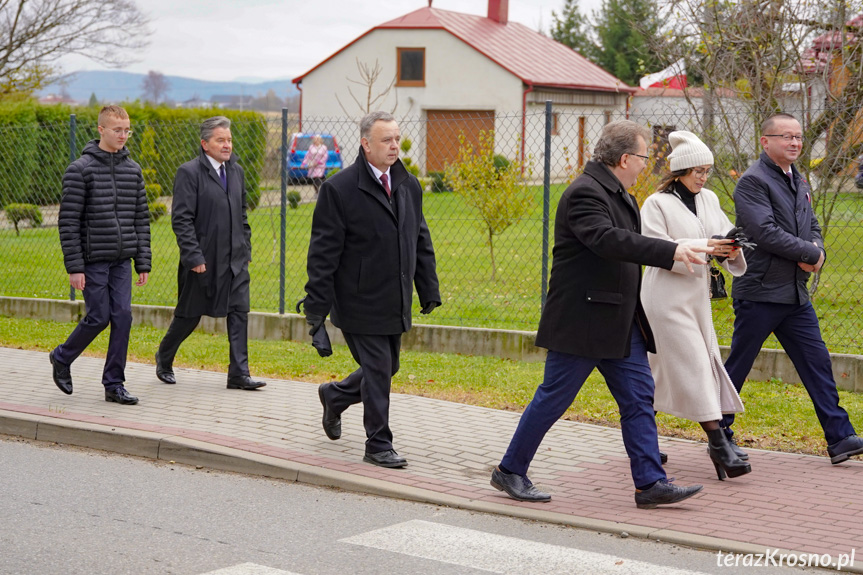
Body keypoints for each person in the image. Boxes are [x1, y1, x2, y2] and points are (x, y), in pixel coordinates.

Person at [491, 120, 711, 509]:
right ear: (625, 158)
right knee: (554, 398)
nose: (646, 164)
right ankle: (510, 470)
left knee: (639, 397)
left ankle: (650, 483)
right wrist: (670, 250)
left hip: (620, 320)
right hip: (583, 320)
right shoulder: (585, 193)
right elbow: (608, 240)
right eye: (643, 157)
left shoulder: (616, 191)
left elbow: (624, 243)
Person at [720, 113, 863, 464]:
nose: (795, 143)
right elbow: (764, 232)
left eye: (799, 137)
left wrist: (819, 251)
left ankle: (840, 437)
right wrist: (810, 252)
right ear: (765, 141)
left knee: (816, 363)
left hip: (795, 295)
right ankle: (719, 433)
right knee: (739, 366)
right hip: (760, 293)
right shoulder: (752, 182)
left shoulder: (798, 179)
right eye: (787, 137)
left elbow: (811, 224)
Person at [302, 111, 440, 469]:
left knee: (387, 366)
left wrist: (428, 287)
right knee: (379, 367)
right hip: (357, 298)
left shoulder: (408, 184)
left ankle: (334, 396)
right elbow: (323, 254)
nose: (395, 146)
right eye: (386, 140)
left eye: (397, 139)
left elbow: (419, 237)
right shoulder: (339, 189)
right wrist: (316, 311)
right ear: (365, 144)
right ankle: (378, 443)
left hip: (394, 296)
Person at [640, 131, 751, 481]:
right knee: (697, 365)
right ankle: (718, 443)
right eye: (697, 171)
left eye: (707, 170)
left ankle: (643, 440)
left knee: (657, 374)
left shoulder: (709, 198)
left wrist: (730, 247)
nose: (703, 177)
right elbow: (654, 246)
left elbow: (719, 233)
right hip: (665, 296)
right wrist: (706, 245)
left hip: (696, 294)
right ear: (680, 171)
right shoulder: (656, 203)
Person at [155, 116, 266, 391]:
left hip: (235, 261)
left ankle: (239, 374)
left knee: (239, 311)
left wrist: (246, 248)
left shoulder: (236, 171)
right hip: (203, 262)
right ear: (205, 144)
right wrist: (194, 257)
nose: (227, 145)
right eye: (221, 140)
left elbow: (242, 214)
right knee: (190, 315)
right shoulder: (189, 173)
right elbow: (181, 219)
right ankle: (164, 357)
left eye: (229, 140)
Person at [49, 105, 150, 406]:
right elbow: (68, 222)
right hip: (92, 259)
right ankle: (62, 356)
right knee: (98, 317)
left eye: (127, 130)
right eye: (117, 130)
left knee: (123, 317)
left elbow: (141, 219)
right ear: (101, 130)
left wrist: (142, 260)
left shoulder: (133, 170)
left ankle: (114, 384)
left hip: (121, 259)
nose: (123, 135)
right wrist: (74, 266)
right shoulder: (80, 170)